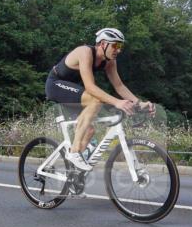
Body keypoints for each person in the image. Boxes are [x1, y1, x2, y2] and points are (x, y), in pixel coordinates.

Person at [45, 28, 153, 171]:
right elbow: (90, 87)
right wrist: (117, 102)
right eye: (115, 45)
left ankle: (74, 173)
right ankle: (74, 152)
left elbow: (119, 86)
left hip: (73, 90)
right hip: (55, 85)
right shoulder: (85, 52)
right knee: (95, 101)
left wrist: (139, 103)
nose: (118, 50)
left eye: (120, 46)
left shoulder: (109, 61)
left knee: (89, 131)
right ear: (103, 44)